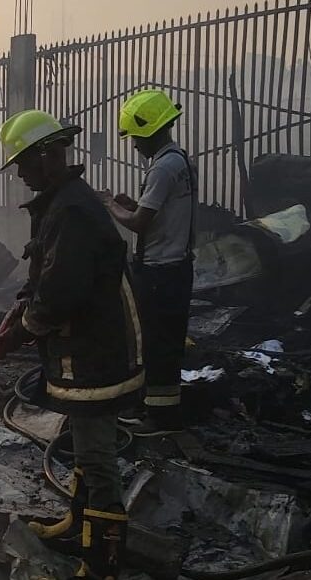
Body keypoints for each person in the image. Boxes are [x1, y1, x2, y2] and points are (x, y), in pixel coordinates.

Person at [0, 109, 144, 580]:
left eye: (23, 162)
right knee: (81, 443)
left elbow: (62, 293)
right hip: (83, 347)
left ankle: (101, 561)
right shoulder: (61, 203)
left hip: (95, 351)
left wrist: (24, 329)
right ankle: (78, 524)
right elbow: (46, 269)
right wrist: (26, 298)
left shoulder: (72, 210)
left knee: (97, 458)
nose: (20, 173)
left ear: (48, 154)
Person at [96, 89, 196, 437]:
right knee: (166, 341)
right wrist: (132, 204)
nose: (135, 145)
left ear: (151, 131)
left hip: (158, 271)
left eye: (137, 137)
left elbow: (139, 223)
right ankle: (160, 410)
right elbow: (157, 214)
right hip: (176, 267)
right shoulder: (179, 161)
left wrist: (110, 204)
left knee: (154, 343)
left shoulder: (163, 168)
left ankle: (159, 418)